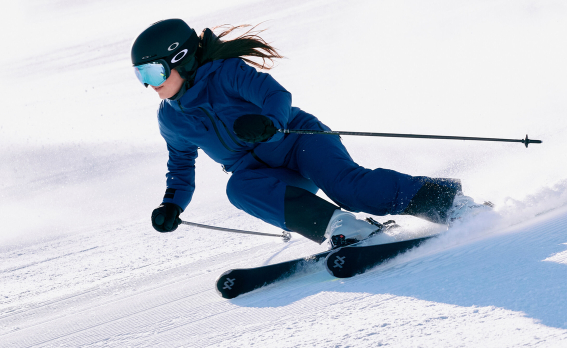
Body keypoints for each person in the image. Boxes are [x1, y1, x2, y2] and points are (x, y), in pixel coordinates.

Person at [131, 18, 476, 244]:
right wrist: (172, 205)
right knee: (238, 188)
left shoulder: (227, 73)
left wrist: (270, 122)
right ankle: (344, 229)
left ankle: (450, 204)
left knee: (349, 188)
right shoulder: (171, 119)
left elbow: (275, 95)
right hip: (266, 174)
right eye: (141, 77)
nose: (150, 85)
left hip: (299, 141)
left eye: (153, 73)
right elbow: (180, 168)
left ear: (182, 59)